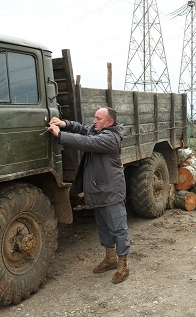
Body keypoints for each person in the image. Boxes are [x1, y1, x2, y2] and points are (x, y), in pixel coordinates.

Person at [47, 107, 131, 284]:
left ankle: (123, 265)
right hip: (99, 191)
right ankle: (110, 259)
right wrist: (65, 124)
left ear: (110, 122)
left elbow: (85, 142)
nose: (94, 121)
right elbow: (81, 128)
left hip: (111, 192)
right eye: (95, 117)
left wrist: (60, 135)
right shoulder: (98, 130)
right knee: (103, 227)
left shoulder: (111, 138)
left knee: (118, 228)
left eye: (99, 118)